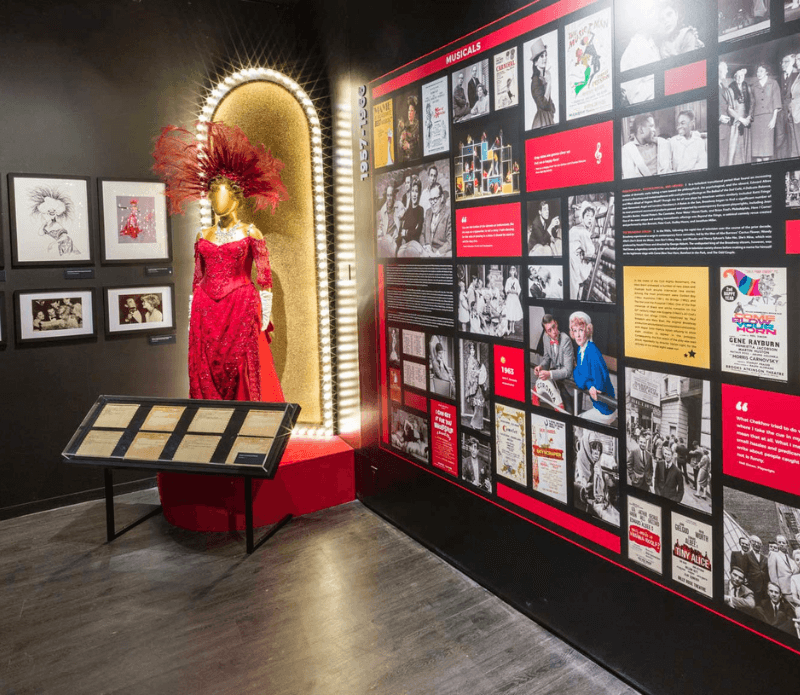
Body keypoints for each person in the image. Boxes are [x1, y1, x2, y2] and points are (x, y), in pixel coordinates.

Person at [153, 120, 288, 402]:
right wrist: (192, 315)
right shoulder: (203, 234)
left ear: (235, 199)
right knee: (206, 367)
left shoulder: (251, 233)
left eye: (222, 195)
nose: (217, 202)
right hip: (205, 309)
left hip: (240, 306)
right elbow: (197, 279)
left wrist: (264, 316)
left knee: (242, 366)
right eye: (213, 196)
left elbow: (264, 280)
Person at [569, 311, 616, 425]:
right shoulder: (581, 350)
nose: (578, 335)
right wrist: (589, 383)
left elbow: (598, 386)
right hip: (598, 406)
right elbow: (577, 373)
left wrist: (586, 381)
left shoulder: (592, 351)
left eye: (581, 330)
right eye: (575, 331)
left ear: (588, 330)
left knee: (577, 424)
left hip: (605, 409)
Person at [533, 314, 574, 412]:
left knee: (569, 413)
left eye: (553, 327)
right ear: (546, 333)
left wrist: (549, 374)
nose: (554, 332)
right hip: (557, 381)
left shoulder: (566, 340)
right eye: (549, 330)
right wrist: (541, 366)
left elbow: (567, 371)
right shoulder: (545, 338)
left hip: (570, 383)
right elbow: (547, 358)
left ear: (556, 323)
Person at [622, 112, 672, 177]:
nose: (654, 130)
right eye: (651, 126)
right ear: (641, 130)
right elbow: (629, 176)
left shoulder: (661, 143)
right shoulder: (627, 150)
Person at [749, 64, 780, 162]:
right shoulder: (753, 86)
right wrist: (749, 117)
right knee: (757, 152)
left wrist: (774, 119)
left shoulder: (773, 83)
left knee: (766, 151)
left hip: (768, 119)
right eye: (758, 71)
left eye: (761, 71)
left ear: (767, 72)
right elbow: (752, 104)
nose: (758, 73)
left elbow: (776, 101)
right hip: (756, 121)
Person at [569, 201, 599, 300]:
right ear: (582, 217)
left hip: (571, 259)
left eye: (592, 216)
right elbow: (590, 251)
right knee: (574, 290)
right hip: (573, 262)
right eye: (587, 216)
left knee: (574, 287)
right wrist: (599, 242)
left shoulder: (576, 228)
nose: (590, 218)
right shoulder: (583, 231)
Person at [529, 37, 556, 129]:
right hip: (541, 121)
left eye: (545, 55)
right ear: (535, 62)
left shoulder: (543, 78)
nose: (545, 58)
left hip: (548, 119)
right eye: (541, 56)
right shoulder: (535, 81)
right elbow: (543, 104)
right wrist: (549, 83)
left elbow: (551, 106)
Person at [421, 183, 451, 257]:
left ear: (442, 198)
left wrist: (437, 253)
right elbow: (422, 234)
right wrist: (426, 246)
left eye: (435, 199)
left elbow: (450, 241)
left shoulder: (449, 213)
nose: (432, 203)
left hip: (440, 254)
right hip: (426, 252)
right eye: (431, 199)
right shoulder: (428, 212)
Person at [776, 54, 797, 160]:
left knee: (793, 138)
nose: (782, 64)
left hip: (793, 112)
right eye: (782, 62)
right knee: (781, 138)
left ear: (792, 62)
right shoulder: (781, 76)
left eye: (786, 62)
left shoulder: (797, 75)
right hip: (781, 112)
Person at [397, 177, 424, 257]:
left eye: (416, 191)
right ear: (410, 193)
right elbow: (401, 232)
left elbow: (417, 232)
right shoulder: (407, 211)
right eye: (413, 191)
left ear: (419, 193)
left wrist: (406, 232)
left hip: (414, 246)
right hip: (404, 246)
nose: (414, 194)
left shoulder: (420, 210)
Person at [768, 535, 800, 602]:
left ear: (787, 545)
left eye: (783, 543)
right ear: (777, 544)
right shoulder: (774, 555)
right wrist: (777, 590)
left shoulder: (790, 559)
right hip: (783, 590)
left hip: (794, 590)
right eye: (779, 542)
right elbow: (773, 575)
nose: (781, 544)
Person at [464, 342, 488, 430]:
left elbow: (478, 370)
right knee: (478, 403)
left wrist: (480, 372)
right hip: (474, 384)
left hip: (478, 384)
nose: (472, 351)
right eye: (471, 350)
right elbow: (470, 373)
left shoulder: (474, 359)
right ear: (469, 351)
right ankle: (476, 424)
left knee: (479, 403)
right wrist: (477, 373)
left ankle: (477, 424)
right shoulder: (470, 360)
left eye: (473, 350)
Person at [377, 182, 403, 257]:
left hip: (395, 240)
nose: (389, 198)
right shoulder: (383, 210)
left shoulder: (399, 205)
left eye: (391, 195)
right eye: (388, 195)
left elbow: (404, 213)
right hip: (386, 240)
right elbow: (381, 226)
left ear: (394, 196)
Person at [719, 62, 734, 167]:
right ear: (718, 71)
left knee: (724, 158)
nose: (727, 71)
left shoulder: (723, 87)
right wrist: (718, 116)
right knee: (720, 159)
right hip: (719, 128)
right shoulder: (711, 86)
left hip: (726, 127)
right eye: (725, 69)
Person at [397, 95, 421, 162]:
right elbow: (400, 146)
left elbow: (419, 146)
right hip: (405, 161)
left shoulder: (418, 126)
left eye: (411, 111)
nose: (409, 113)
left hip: (415, 160)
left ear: (415, 112)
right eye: (409, 111)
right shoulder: (405, 126)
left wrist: (409, 146)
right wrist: (401, 141)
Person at [503, 266, 523, 334]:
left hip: (514, 298)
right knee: (509, 311)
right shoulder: (508, 280)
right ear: (509, 272)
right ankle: (509, 328)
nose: (512, 272)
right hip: (510, 297)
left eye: (513, 271)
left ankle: (513, 327)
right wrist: (509, 291)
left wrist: (516, 292)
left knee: (514, 312)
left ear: (515, 272)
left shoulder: (516, 280)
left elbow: (519, 289)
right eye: (511, 271)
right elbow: (506, 288)